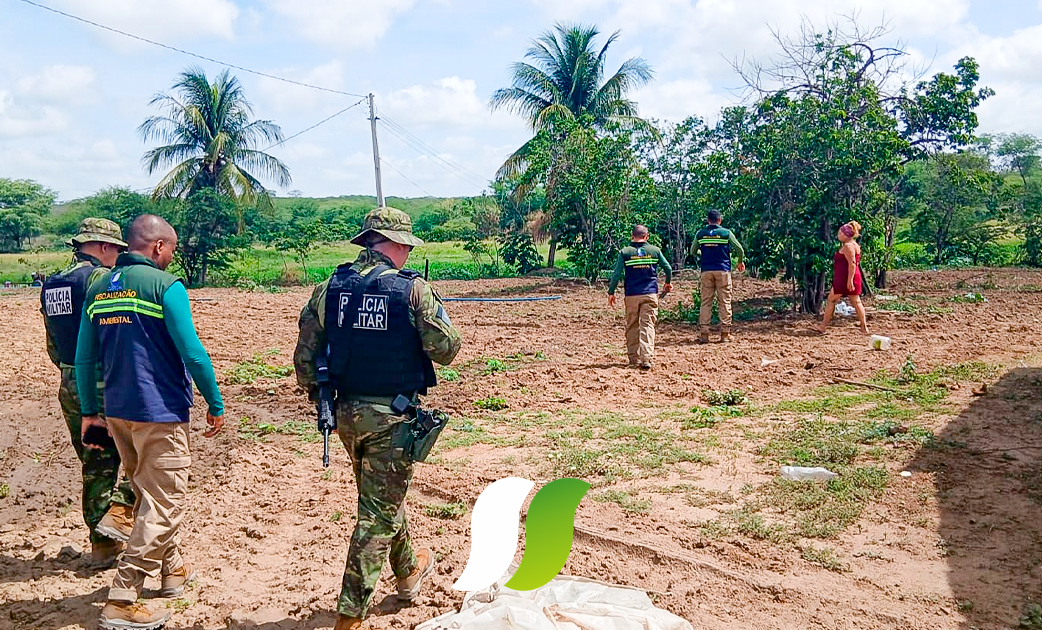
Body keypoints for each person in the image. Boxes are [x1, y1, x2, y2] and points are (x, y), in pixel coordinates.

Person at [294, 207, 462, 630]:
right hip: (393, 414)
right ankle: (350, 617)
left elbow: (305, 356)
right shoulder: (411, 290)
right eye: (406, 246)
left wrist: (321, 396)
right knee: (376, 518)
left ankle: (407, 573)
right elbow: (447, 348)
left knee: (379, 500)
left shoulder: (329, 287)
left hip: (345, 414)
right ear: (397, 245)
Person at [76, 215, 226, 630]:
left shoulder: (99, 287)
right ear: (158, 247)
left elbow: (85, 356)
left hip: (119, 412)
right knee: (164, 502)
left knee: (147, 493)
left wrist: (91, 410)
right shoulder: (166, 286)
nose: (172, 257)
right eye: (172, 249)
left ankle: (173, 570)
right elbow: (193, 353)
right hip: (159, 412)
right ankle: (124, 598)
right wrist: (214, 401)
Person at [40, 218, 136, 568]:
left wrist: (70, 372)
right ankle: (119, 523)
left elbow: (52, 342)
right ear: (104, 247)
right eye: (115, 250)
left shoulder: (53, 284)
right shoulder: (99, 279)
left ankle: (102, 545)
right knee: (141, 455)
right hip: (102, 380)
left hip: (69, 380)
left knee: (94, 463)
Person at [607, 225, 673, 370]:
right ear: (647, 236)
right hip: (650, 294)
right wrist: (667, 283)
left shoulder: (625, 252)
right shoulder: (654, 251)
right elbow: (668, 268)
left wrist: (611, 292)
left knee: (632, 326)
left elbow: (616, 274)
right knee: (647, 325)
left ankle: (633, 359)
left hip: (631, 295)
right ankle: (646, 358)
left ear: (632, 236)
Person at [690, 209, 746, 343]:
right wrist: (739, 261)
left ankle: (704, 334)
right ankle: (725, 334)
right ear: (719, 220)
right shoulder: (726, 233)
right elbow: (740, 249)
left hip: (706, 270)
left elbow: (692, 251)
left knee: (706, 302)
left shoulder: (700, 233)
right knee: (724, 301)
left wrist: (702, 255)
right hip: (723, 271)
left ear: (708, 220)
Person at [817, 221, 869, 334]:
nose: (838, 235)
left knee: (831, 300)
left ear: (845, 235)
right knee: (856, 302)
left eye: (840, 233)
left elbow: (852, 263)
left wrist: (849, 280)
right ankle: (864, 327)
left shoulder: (848, 246)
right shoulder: (855, 245)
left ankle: (823, 326)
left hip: (845, 277)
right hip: (850, 276)